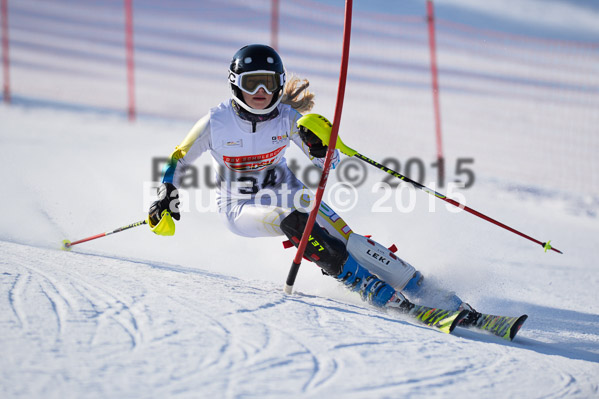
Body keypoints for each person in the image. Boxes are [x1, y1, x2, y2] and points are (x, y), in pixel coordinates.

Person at [148, 44, 472, 314]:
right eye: (251, 83)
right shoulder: (216, 122)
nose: (260, 92)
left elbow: (330, 162)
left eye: (268, 83)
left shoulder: (289, 118)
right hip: (240, 206)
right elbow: (179, 157)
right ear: (235, 84)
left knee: (349, 239)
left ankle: (423, 288)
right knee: (296, 223)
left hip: (289, 191)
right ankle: (370, 288)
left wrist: (321, 149)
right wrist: (166, 193)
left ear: (279, 83)